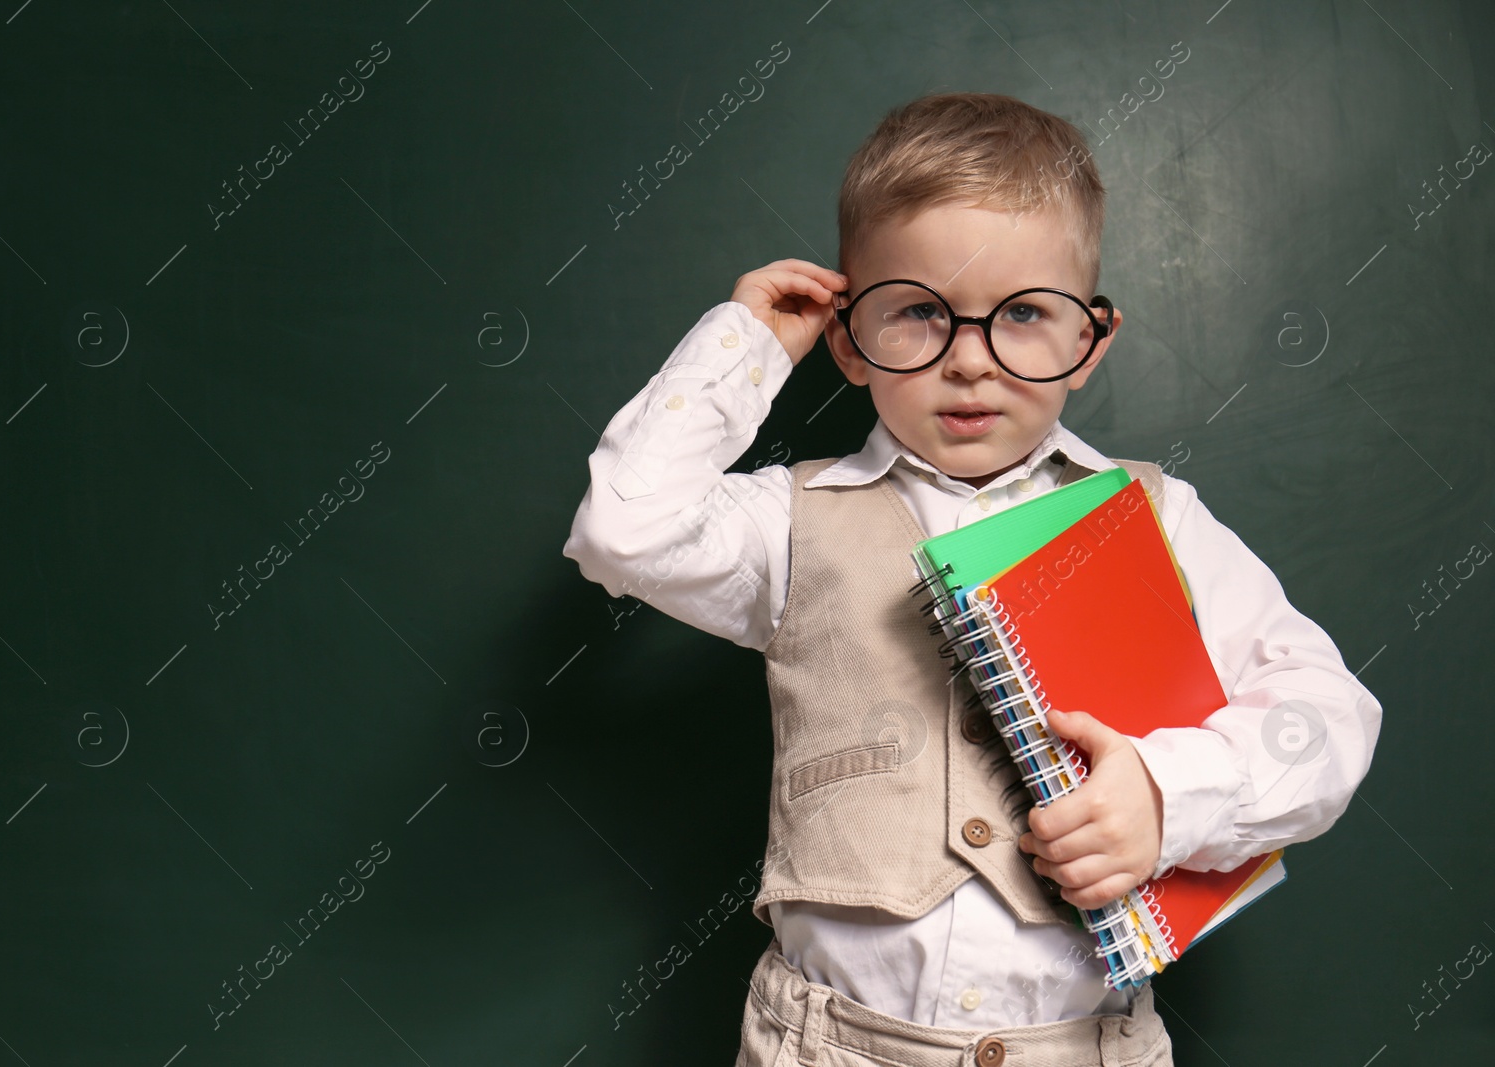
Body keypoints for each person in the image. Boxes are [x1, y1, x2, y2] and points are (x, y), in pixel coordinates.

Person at [562, 92, 1381, 1067]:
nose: (968, 363)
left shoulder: (1155, 517)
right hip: (828, 1045)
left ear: (1091, 340)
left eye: (1024, 313)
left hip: (1083, 1045)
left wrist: (1169, 796)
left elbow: (1327, 716)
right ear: (848, 338)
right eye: (917, 312)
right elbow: (623, 529)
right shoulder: (790, 519)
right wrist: (743, 344)